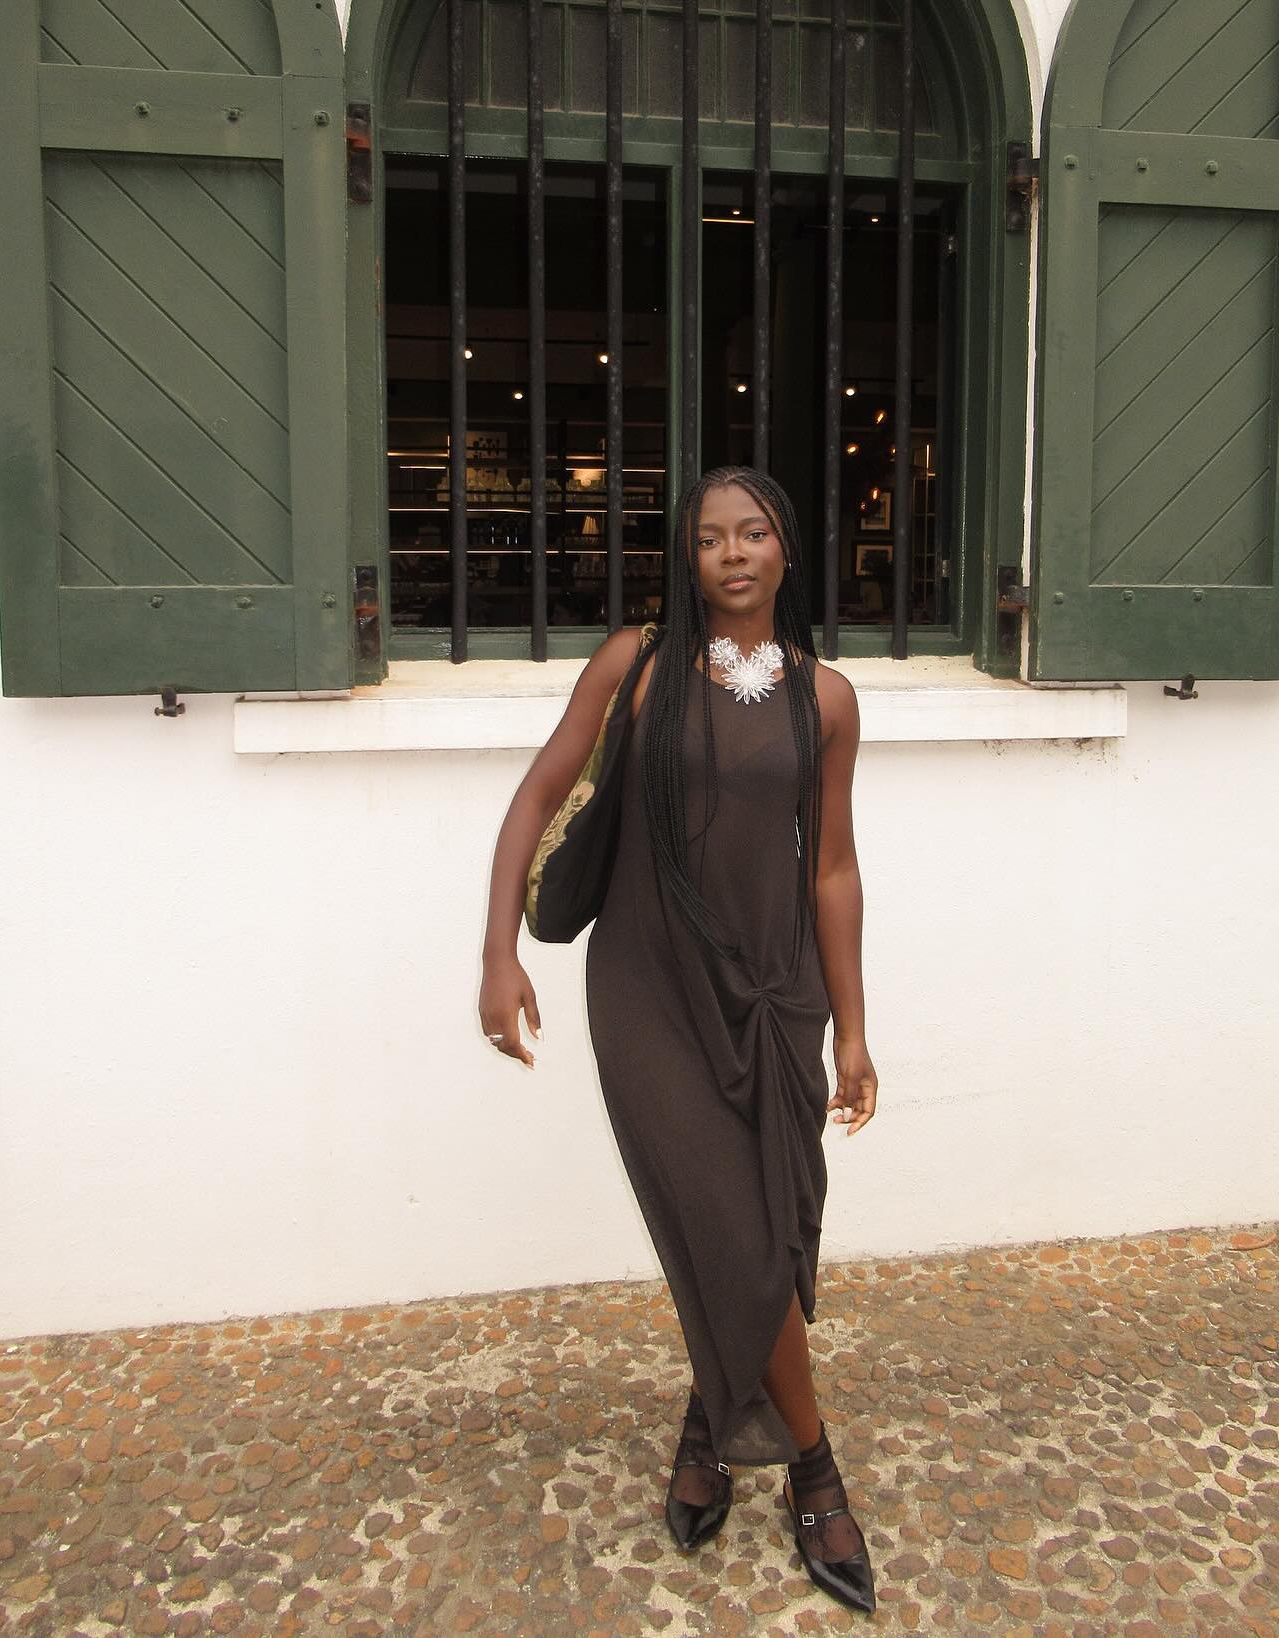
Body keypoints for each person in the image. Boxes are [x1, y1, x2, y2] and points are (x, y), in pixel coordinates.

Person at [478, 464, 880, 1614]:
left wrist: (851, 1027)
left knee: (771, 1222)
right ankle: (813, 1467)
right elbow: (537, 792)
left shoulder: (828, 699)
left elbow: (834, 868)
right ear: (689, 558)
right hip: (649, 988)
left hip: (772, 993)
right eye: (710, 539)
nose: (734, 554)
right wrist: (499, 950)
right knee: (728, 1227)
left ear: (786, 550)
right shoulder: (638, 667)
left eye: (754, 533)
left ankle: (713, 1421)